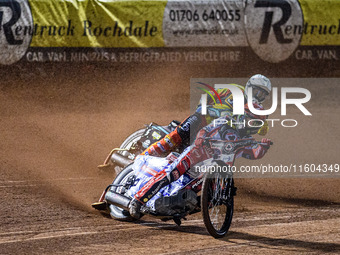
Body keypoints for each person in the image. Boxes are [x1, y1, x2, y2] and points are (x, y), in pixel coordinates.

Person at [128, 74, 272, 219]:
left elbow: (262, 128)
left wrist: (257, 125)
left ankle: (181, 201)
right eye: (257, 91)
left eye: (262, 95)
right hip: (203, 121)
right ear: (249, 86)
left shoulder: (256, 108)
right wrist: (205, 109)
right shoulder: (234, 91)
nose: (258, 96)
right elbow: (209, 95)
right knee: (179, 135)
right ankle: (144, 156)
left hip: (220, 139)